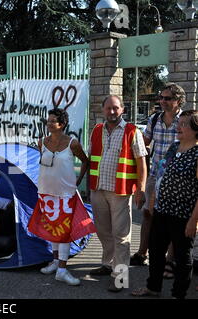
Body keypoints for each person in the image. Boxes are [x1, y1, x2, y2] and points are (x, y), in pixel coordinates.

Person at [132, 110, 198, 299]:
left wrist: (194, 220)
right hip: (162, 209)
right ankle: (153, 287)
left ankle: (178, 294)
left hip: (184, 214)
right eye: (180, 123)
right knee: (155, 250)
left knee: (182, 257)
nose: (179, 127)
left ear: (195, 129)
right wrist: (153, 200)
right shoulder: (174, 147)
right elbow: (161, 174)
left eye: (184, 124)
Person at [88, 95, 147, 292]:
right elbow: (91, 159)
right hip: (98, 189)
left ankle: (120, 278)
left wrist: (141, 189)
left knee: (121, 236)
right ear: (102, 109)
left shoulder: (132, 131)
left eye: (115, 108)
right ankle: (108, 264)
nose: (112, 112)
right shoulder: (96, 130)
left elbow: (141, 163)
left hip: (120, 192)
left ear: (122, 109)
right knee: (103, 232)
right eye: (108, 108)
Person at [131, 83, 185, 274]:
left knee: (172, 218)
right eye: (161, 98)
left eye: (167, 98)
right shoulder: (154, 119)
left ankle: (169, 260)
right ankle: (141, 253)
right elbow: (144, 143)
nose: (162, 101)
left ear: (178, 100)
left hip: (177, 179)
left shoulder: (185, 121)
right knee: (148, 214)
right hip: (155, 174)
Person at [35, 108, 89, 286]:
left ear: (62, 124)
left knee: (64, 231)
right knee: (52, 229)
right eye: (48, 121)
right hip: (46, 192)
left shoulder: (72, 143)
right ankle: (56, 262)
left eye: (53, 121)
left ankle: (62, 270)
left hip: (66, 193)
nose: (49, 124)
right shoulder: (41, 142)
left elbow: (85, 161)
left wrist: (79, 181)